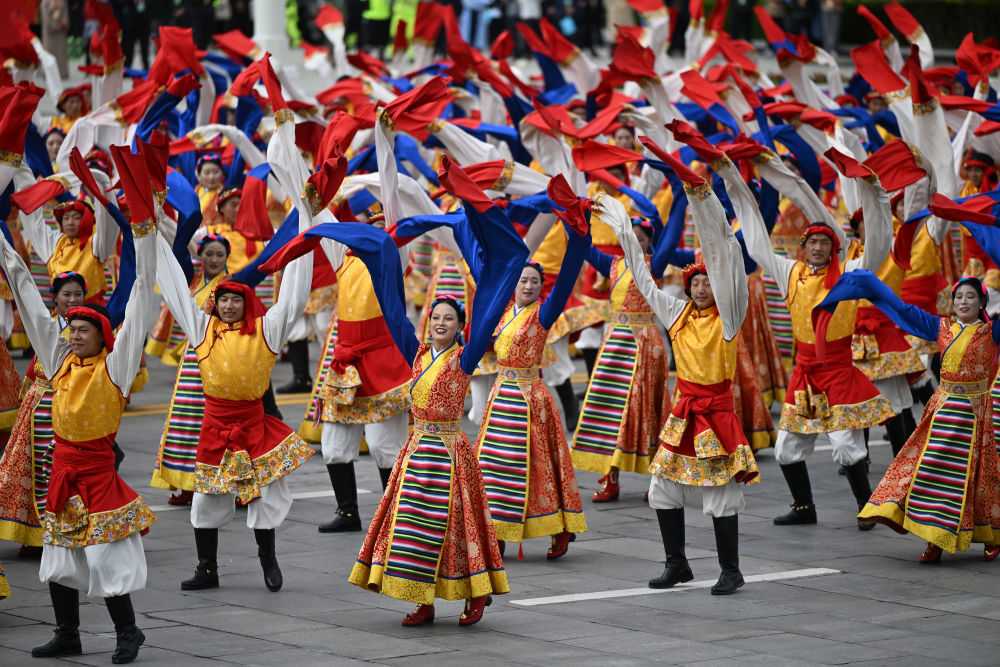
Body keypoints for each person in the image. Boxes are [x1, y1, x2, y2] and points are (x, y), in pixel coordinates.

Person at [267, 159, 526, 625]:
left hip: (450, 456)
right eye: (436, 317)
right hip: (417, 454)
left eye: (449, 319)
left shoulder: (465, 357)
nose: (440, 322)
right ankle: (421, 599)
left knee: (456, 528)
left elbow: (486, 310)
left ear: (461, 327)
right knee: (412, 528)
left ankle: (475, 594)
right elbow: (393, 308)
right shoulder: (416, 351)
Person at [0, 195, 157, 665]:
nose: (72, 336)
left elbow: (140, 303)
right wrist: (5, 249)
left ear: (102, 337)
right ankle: (67, 634)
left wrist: (145, 243)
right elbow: (28, 297)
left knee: (108, 558)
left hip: (98, 474)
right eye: (70, 330)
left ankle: (128, 632)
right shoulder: (59, 361)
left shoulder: (115, 368)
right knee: (59, 560)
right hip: (62, 472)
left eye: (82, 331)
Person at [598, 150, 758, 595]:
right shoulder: (676, 313)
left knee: (721, 493)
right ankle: (677, 564)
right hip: (685, 411)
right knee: (662, 488)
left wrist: (705, 206)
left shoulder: (730, 315)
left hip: (717, 413)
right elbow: (643, 279)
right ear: (687, 287)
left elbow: (728, 260)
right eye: (696, 282)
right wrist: (624, 229)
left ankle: (731, 570)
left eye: (708, 282)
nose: (702, 287)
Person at [154, 198, 315, 592]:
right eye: (223, 299)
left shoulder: (267, 330)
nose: (228, 305)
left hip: (253, 424)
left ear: (247, 303)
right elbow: (175, 290)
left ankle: (268, 559)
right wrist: (151, 233)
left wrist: (306, 233)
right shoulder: (202, 329)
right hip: (215, 426)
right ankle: (206, 568)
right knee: (205, 500)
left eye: (236, 299)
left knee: (263, 497)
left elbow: (294, 297)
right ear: (216, 304)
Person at [741, 147, 894, 530]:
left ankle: (866, 507)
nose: (818, 248)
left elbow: (879, 246)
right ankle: (803, 507)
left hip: (838, 370)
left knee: (845, 445)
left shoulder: (850, 274)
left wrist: (875, 194)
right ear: (803, 247)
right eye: (812, 242)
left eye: (825, 243)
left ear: (834, 248)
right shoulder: (790, 273)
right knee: (787, 448)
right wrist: (736, 186)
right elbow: (757, 245)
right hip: (805, 373)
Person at [816, 272, 1000, 563]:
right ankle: (935, 539)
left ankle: (992, 534)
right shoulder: (942, 326)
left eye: (971, 296)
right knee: (933, 474)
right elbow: (904, 311)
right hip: (943, 415)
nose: (964, 301)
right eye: (959, 297)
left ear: (982, 303)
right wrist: (871, 288)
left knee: (979, 477)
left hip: (975, 418)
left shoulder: (992, 331)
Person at [475, 178, 590, 560]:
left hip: (530, 401)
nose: (527, 285)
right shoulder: (503, 311)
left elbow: (569, 274)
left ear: (541, 287)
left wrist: (579, 236)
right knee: (492, 466)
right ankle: (498, 531)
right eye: (522, 279)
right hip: (500, 399)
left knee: (539, 466)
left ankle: (559, 526)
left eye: (534, 281)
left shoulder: (543, 314)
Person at [570, 216, 671, 502]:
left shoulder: (655, 265)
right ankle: (611, 478)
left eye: (641, 239)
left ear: (650, 242)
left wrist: (679, 196)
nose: (635, 243)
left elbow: (671, 237)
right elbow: (584, 246)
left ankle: (658, 478)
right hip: (615, 343)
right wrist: (571, 214)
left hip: (645, 343)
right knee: (608, 408)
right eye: (630, 237)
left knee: (646, 407)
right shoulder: (612, 264)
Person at [149, 234, 232, 505]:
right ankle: (186, 481)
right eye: (209, 254)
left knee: (218, 423)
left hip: (220, 359)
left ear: (227, 258)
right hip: (191, 362)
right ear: (200, 256)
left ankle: (232, 482)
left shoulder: (231, 286)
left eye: (220, 255)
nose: (214, 259)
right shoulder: (193, 281)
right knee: (187, 420)